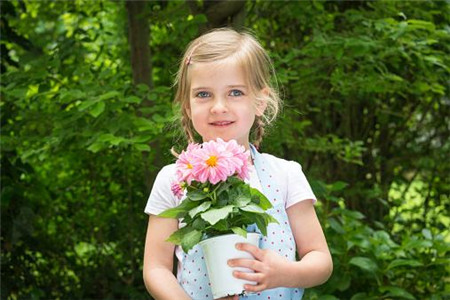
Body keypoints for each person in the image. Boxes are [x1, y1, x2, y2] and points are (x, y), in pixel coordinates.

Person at [143, 28, 333, 300]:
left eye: (235, 92)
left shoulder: (286, 175)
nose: (218, 107)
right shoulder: (173, 179)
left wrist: (284, 273)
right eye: (203, 95)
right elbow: (156, 268)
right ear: (187, 106)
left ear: (260, 101)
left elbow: (321, 260)